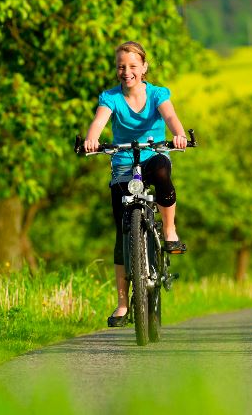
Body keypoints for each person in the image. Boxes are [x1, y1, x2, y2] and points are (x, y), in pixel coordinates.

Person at [83, 41, 189, 327]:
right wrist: (91, 139)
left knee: (163, 174)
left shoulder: (157, 94)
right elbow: (99, 122)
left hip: (153, 156)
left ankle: (169, 230)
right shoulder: (111, 97)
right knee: (122, 233)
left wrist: (178, 134)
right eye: (121, 66)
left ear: (143, 68)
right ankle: (121, 303)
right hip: (123, 164)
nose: (126, 71)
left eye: (132, 66)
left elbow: (170, 116)